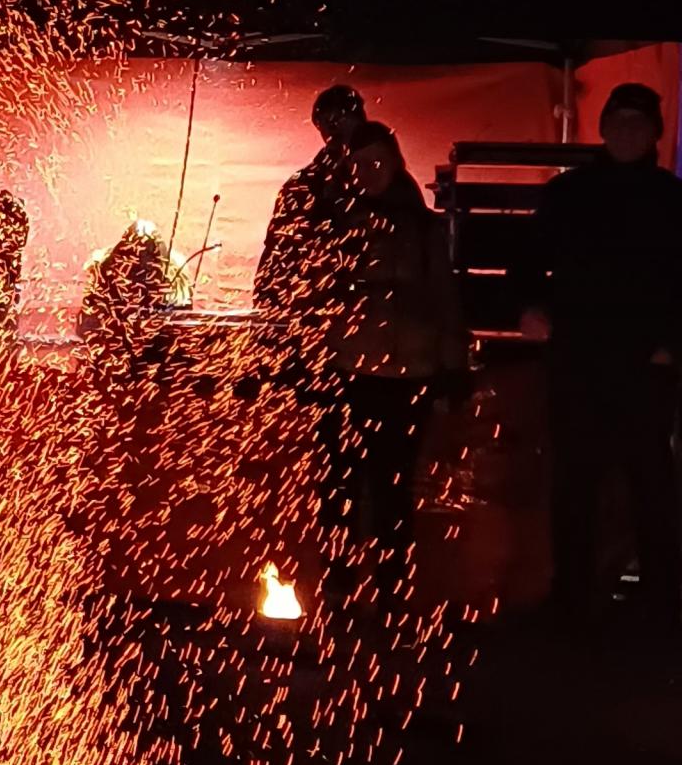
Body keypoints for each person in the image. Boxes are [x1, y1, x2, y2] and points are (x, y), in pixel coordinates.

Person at [257, 120, 468, 559]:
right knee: (340, 484)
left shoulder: (422, 228)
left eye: (377, 162)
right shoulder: (334, 225)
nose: (368, 172)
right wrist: (301, 359)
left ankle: (391, 579)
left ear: (394, 163)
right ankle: (340, 575)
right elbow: (310, 296)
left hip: (408, 377)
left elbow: (444, 299)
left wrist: (452, 368)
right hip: (348, 373)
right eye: (359, 165)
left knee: (395, 485)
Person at [517, 81, 682, 628]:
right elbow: (528, 258)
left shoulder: (672, 200)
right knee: (574, 479)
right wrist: (529, 306)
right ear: (604, 128)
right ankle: (571, 593)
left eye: (638, 123)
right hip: (579, 359)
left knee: (649, 480)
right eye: (619, 122)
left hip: (645, 363)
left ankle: (659, 597)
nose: (627, 132)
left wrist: (671, 345)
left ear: (654, 133)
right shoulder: (569, 194)